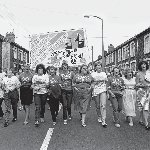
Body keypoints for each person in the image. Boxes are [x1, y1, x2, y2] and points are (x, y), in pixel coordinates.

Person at [91, 63, 107, 127]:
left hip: (103, 90)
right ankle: (99, 116)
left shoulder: (104, 73)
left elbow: (106, 80)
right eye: (97, 65)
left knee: (103, 105)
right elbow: (91, 82)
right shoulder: (93, 74)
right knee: (97, 105)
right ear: (95, 67)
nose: (99, 66)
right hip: (96, 90)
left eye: (100, 65)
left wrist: (98, 80)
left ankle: (104, 120)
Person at [135, 61, 150, 130]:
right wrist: (142, 85)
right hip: (141, 92)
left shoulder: (148, 73)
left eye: (144, 64)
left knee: (141, 107)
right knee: (145, 107)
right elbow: (136, 84)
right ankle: (146, 123)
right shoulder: (138, 74)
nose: (143, 65)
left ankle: (141, 120)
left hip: (148, 91)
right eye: (142, 64)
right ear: (140, 66)